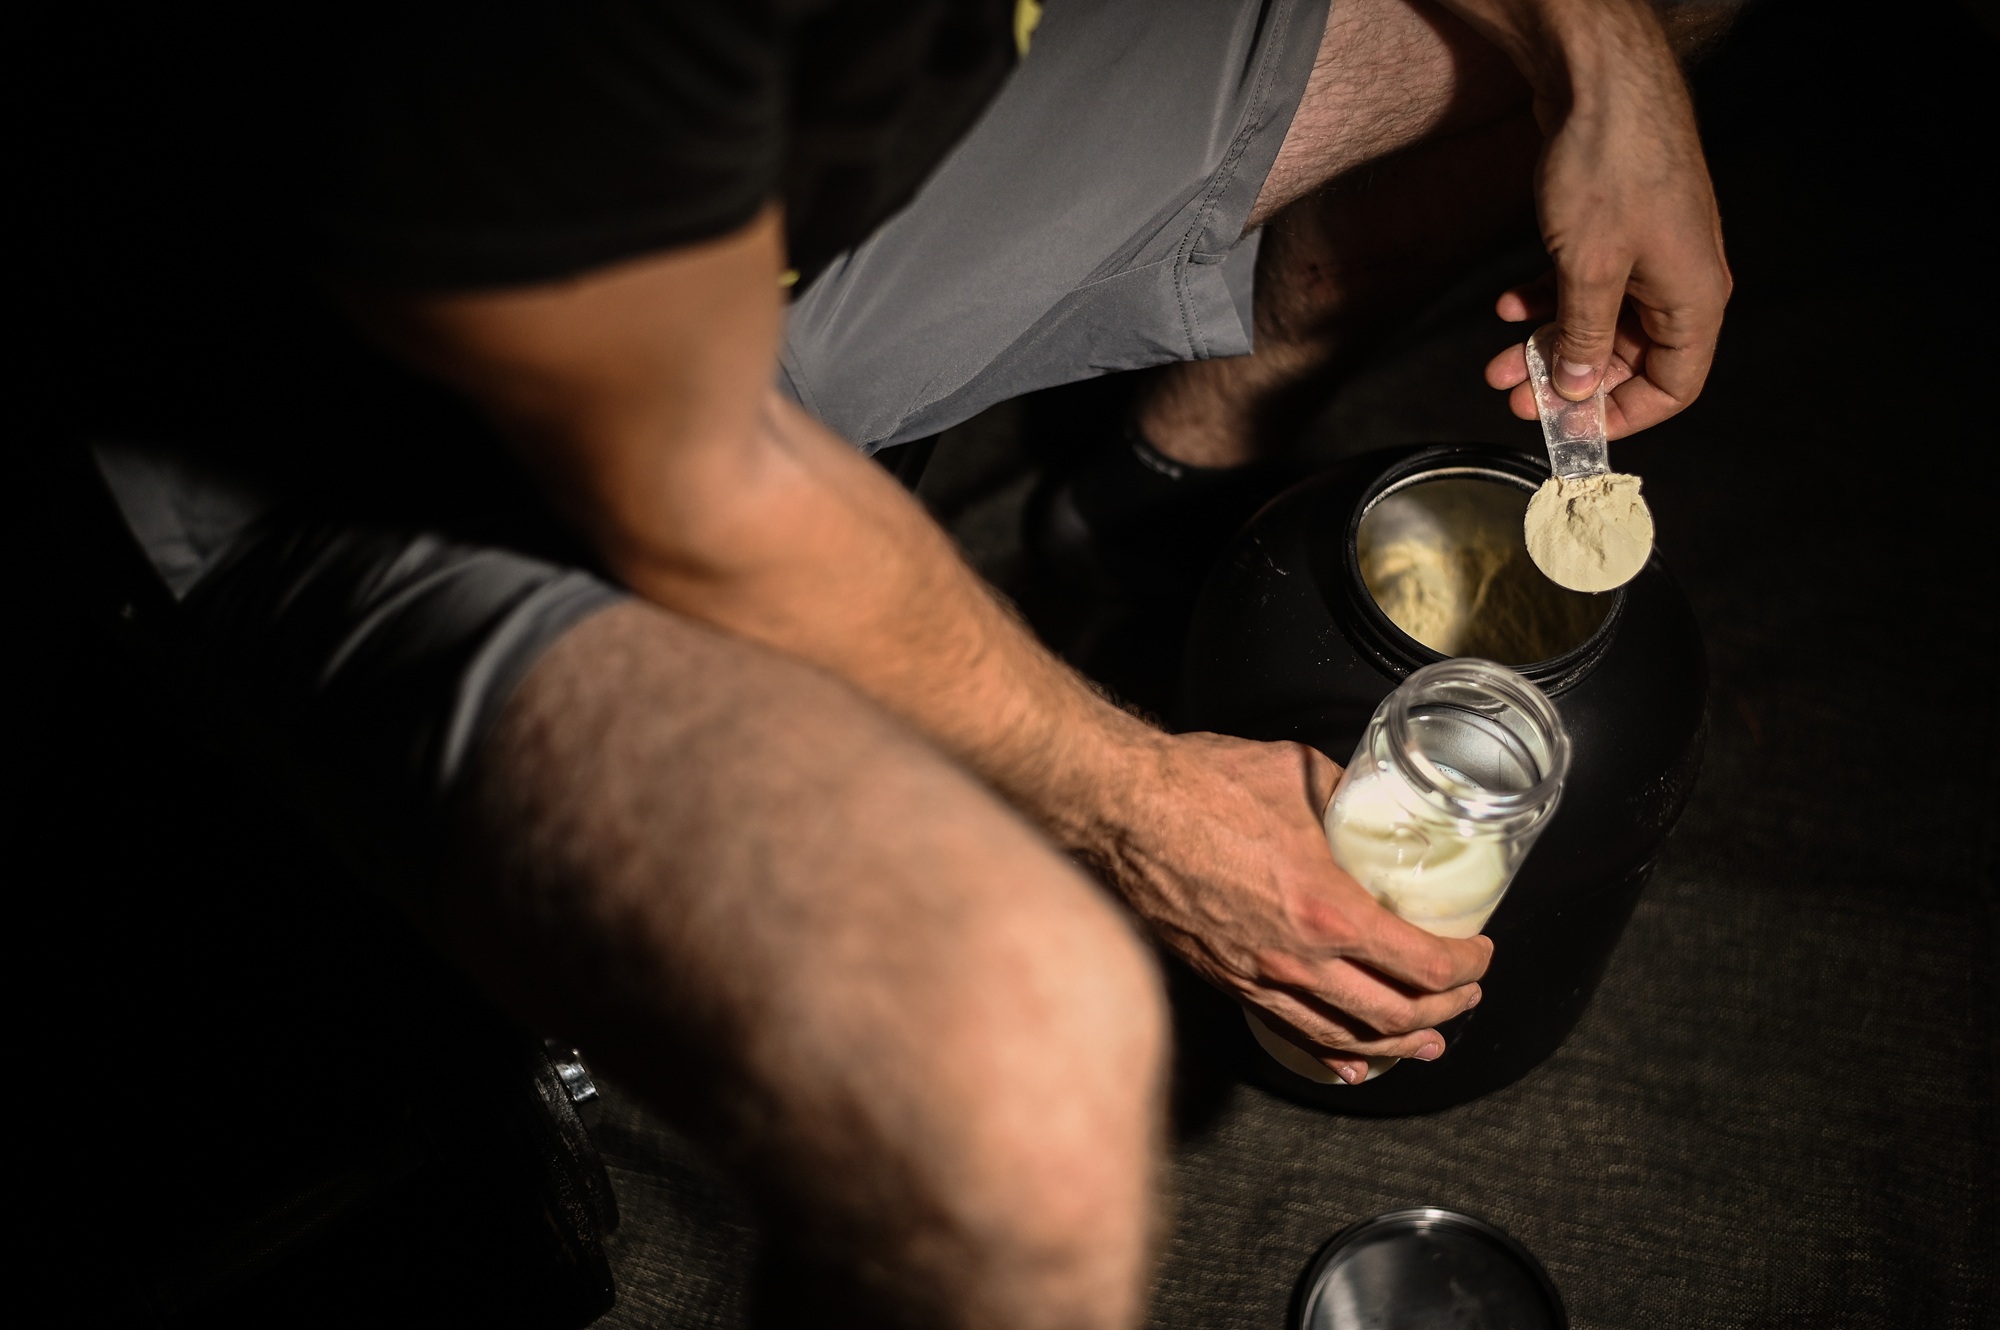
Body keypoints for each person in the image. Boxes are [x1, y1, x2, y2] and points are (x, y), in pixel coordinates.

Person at [31, 0, 1731, 1324]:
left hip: (831, 150)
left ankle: (1173, 464)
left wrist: (1608, 67)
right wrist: (1138, 805)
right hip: (387, 428)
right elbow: (698, 479)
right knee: (1013, 1055)